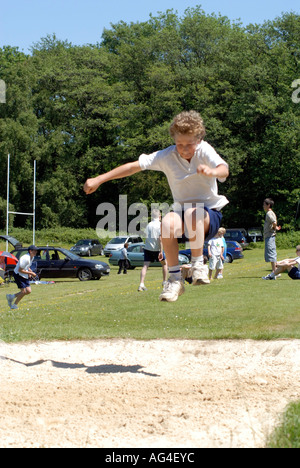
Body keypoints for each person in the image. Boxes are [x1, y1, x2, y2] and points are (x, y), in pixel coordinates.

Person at [84, 110, 229, 302]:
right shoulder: (166, 156)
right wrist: (100, 179)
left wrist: (211, 171)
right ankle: (175, 279)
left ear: (199, 139)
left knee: (193, 213)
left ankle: (198, 264)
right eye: (179, 144)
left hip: (208, 215)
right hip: (183, 215)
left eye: (189, 144)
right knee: (167, 221)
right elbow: (133, 167)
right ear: (173, 140)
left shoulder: (204, 150)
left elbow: (224, 169)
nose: (184, 149)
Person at [138, 208, 168, 291]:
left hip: (148, 248)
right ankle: (164, 282)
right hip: (157, 249)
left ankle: (141, 284)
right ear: (159, 216)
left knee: (145, 266)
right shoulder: (160, 225)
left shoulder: (148, 225)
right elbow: (160, 239)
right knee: (165, 264)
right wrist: (161, 251)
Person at [6, 245, 38, 310]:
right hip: (18, 275)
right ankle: (14, 306)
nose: (36, 252)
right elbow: (20, 270)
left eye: (36, 250)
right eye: (34, 250)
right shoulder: (25, 258)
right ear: (30, 251)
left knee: (28, 291)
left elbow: (27, 266)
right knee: (23, 292)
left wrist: (29, 271)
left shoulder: (32, 257)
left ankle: (11, 296)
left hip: (24, 274)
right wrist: (31, 273)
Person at [263, 198, 281, 274]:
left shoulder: (269, 213)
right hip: (269, 236)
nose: (263, 206)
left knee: (271, 253)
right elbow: (274, 222)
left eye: (264, 204)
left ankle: (275, 272)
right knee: (271, 253)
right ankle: (275, 271)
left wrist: (274, 227)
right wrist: (275, 227)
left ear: (268, 205)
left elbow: (274, 221)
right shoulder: (270, 213)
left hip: (270, 236)